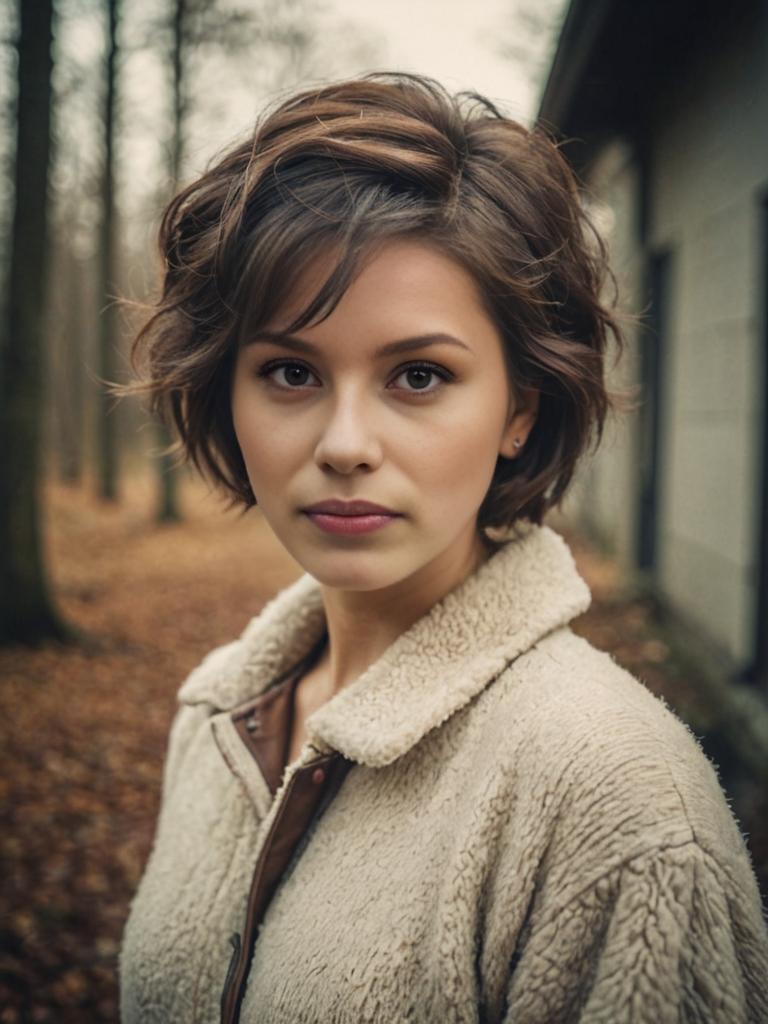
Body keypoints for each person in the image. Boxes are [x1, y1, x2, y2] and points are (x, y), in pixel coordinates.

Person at [117, 72, 768, 1023]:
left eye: (418, 375)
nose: (344, 444)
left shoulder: (621, 804)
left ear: (519, 409)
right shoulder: (220, 712)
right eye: (290, 371)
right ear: (228, 391)